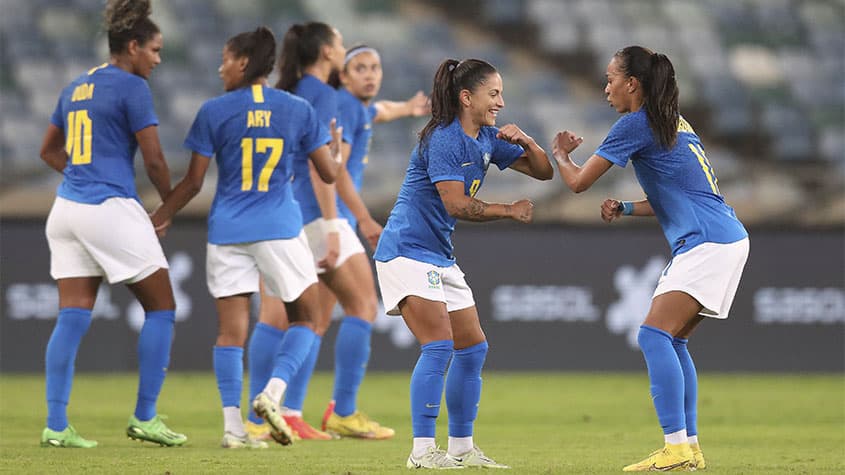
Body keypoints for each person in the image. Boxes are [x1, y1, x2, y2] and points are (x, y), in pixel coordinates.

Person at [551, 45, 749, 471]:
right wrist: (625, 208)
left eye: (611, 79)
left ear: (632, 84)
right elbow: (676, 196)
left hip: (708, 242)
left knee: (653, 336)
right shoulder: (673, 121)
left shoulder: (634, 125)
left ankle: (675, 447)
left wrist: (561, 155)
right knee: (673, 340)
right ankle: (689, 448)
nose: (606, 88)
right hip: (725, 236)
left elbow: (579, 183)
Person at [149, 26, 343, 448]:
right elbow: (328, 172)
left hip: (227, 230)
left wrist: (160, 215)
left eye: (226, 59)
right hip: (278, 228)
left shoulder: (214, 111)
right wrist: (338, 151)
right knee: (308, 318)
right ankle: (273, 393)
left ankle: (232, 429)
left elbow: (194, 183)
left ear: (243, 62)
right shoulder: (296, 109)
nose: (220, 68)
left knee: (230, 333)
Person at [373, 58, 554, 469]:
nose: (501, 103)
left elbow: (544, 172)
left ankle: (461, 448)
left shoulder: (486, 137)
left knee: (472, 348)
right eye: (494, 94)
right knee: (438, 347)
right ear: (466, 97)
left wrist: (526, 140)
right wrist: (508, 210)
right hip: (406, 249)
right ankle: (421, 453)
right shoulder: (444, 139)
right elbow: (455, 203)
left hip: (438, 254)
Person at [37, 0, 186, 448]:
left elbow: (47, 150)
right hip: (109, 206)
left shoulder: (75, 87)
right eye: (154, 50)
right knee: (162, 307)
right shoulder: (132, 86)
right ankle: (145, 416)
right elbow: (156, 158)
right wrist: (167, 204)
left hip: (65, 211)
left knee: (72, 316)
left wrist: (81, 176)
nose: (158, 60)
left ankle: (56, 427)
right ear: (133, 46)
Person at [243, 21, 348, 442]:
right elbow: (317, 166)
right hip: (307, 215)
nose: (343, 49)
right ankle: (287, 409)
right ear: (325, 51)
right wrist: (332, 225)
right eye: (339, 43)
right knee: (317, 317)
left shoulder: (290, 92)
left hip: (278, 211)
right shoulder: (320, 94)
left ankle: (272, 416)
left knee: (277, 317)